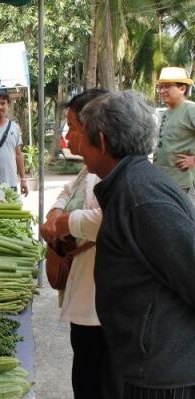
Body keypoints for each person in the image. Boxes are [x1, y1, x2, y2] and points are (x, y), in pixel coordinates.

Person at [78, 90, 195, 397]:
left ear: (101, 141)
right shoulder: (131, 185)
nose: (77, 148)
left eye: (83, 137)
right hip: (146, 364)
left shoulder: (142, 197)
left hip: (162, 375)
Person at [40, 89, 120, 399]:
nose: (68, 135)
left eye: (73, 126)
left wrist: (66, 223)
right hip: (84, 300)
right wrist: (57, 212)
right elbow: (66, 190)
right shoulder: (92, 168)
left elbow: (107, 219)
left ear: (96, 130)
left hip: (100, 306)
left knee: (96, 379)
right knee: (85, 373)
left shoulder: (117, 176)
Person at [153, 66, 195, 204]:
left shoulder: (190, 109)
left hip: (179, 182)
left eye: (167, 87)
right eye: (160, 87)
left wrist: (193, 160)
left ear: (182, 88)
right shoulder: (166, 112)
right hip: (161, 178)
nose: (162, 91)